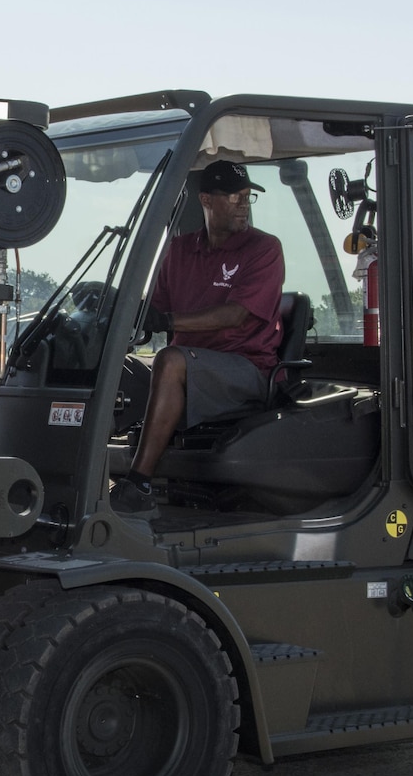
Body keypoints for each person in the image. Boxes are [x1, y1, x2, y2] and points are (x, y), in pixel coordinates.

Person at [114, 160, 286, 514]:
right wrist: (114, 309)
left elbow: (235, 315)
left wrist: (168, 320)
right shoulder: (179, 250)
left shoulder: (263, 249)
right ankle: (91, 468)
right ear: (206, 199)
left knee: (171, 360)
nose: (243, 205)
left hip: (247, 369)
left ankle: (139, 483)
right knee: (121, 368)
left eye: (246, 197)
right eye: (233, 197)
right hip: (193, 363)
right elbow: (155, 309)